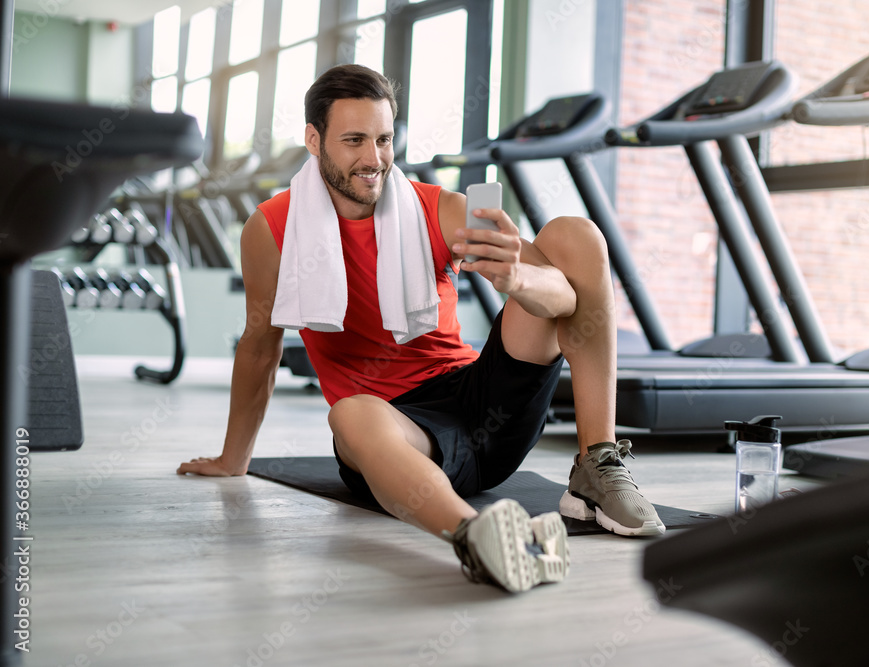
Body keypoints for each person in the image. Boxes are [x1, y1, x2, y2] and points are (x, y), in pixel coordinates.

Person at [178, 64, 664, 593]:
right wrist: (234, 459)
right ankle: (479, 538)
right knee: (350, 413)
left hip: (486, 403)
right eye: (354, 140)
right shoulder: (271, 228)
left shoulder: (440, 209)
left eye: (384, 139)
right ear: (313, 141)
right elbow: (259, 346)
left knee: (575, 236)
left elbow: (570, 301)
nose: (374, 159)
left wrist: (518, 278)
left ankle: (597, 464)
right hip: (396, 432)